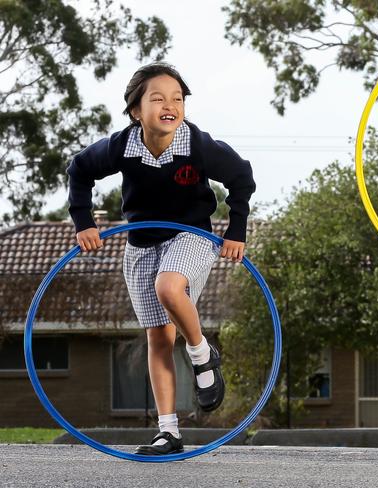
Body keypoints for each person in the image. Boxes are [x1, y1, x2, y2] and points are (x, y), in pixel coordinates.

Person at [67, 62, 256, 455]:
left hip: (191, 234)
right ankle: (168, 431)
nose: (170, 105)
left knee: (168, 287)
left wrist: (236, 230)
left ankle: (202, 354)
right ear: (137, 110)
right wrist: (84, 221)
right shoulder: (123, 145)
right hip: (141, 243)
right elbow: (80, 169)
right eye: (158, 98)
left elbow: (241, 176)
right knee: (158, 337)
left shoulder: (196, 144)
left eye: (178, 98)